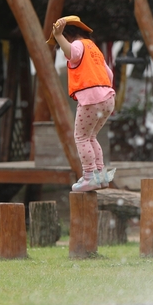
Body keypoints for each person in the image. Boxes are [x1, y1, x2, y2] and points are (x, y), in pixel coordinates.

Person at [49, 16, 115, 193]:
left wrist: (58, 35)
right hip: (108, 97)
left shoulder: (78, 44)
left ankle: (89, 176)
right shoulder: (94, 49)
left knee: (81, 137)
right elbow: (109, 75)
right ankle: (100, 175)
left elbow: (73, 53)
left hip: (92, 97)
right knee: (91, 137)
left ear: (68, 34)